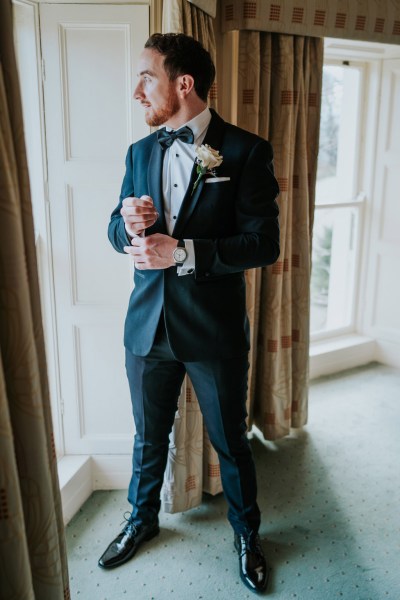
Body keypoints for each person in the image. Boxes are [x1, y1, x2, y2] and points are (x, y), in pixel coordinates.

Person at [98, 32, 280, 594]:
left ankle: (247, 534)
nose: (136, 91)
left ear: (183, 84)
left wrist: (183, 251)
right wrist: (125, 225)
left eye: (145, 76)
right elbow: (114, 231)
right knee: (148, 436)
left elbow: (264, 244)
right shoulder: (139, 152)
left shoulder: (246, 150)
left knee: (230, 439)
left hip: (214, 329)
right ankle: (141, 518)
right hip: (147, 325)